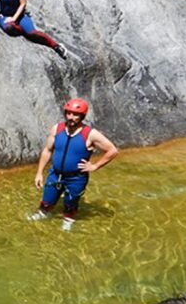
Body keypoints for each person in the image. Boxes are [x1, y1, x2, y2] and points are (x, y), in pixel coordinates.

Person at [29, 98, 119, 231]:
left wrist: (94, 166)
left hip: (76, 177)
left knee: (71, 203)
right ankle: (43, 213)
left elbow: (112, 150)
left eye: (75, 114)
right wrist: (39, 173)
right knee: (47, 199)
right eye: (69, 113)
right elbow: (47, 150)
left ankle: (68, 220)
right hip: (55, 174)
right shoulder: (57, 129)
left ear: (82, 116)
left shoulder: (90, 134)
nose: (71, 117)